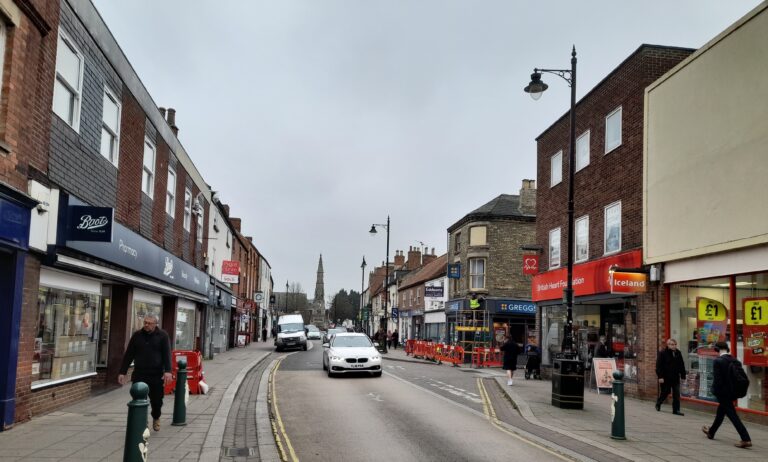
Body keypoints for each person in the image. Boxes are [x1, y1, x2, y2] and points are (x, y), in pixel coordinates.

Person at [118, 314, 172, 432]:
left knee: (157, 401)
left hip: (156, 374)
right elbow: (129, 354)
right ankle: (143, 421)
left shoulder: (162, 336)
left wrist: (168, 371)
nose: (146, 325)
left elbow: (167, 354)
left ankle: (156, 417)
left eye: (149, 323)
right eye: (145, 322)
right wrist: (123, 371)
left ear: (155, 324)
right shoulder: (137, 335)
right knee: (138, 398)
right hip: (139, 373)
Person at [702, 341, 752, 448]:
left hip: (723, 393)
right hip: (733, 392)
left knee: (733, 416)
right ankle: (711, 432)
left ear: (717, 349)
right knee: (721, 413)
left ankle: (746, 439)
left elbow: (718, 381)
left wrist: (714, 391)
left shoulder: (718, 361)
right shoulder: (735, 360)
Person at [655, 338, 686, 415]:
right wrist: (660, 377)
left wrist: (683, 375)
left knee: (676, 394)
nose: (674, 346)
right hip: (666, 377)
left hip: (675, 377)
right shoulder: (663, 353)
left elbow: (681, 364)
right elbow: (659, 366)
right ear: (668, 345)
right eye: (672, 344)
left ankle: (676, 410)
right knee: (665, 392)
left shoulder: (678, 353)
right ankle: (658, 403)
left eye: (675, 344)